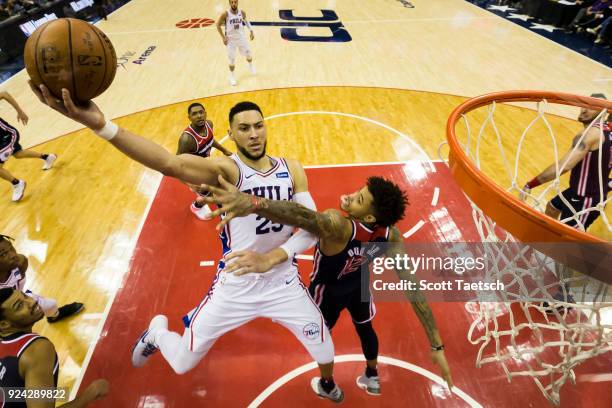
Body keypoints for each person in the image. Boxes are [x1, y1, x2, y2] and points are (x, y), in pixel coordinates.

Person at [29, 84, 344, 402]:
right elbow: (170, 164)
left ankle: (327, 384)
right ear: (232, 136)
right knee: (182, 363)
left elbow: (314, 227)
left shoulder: (292, 169)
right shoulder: (226, 170)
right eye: (244, 128)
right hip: (236, 284)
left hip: (283, 282)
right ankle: (158, 333)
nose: (253, 134)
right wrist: (102, 126)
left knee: (323, 344)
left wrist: (277, 255)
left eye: (258, 126)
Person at [200, 175, 454, 395]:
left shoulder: (338, 225)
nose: (352, 195)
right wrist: (436, 345)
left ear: (367, 215)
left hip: (327, 292)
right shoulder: (391, 236)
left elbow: (298, 214)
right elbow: (413, 289)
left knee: (321, 337)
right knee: (365, 328)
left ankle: (327, 383)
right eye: (358, 192)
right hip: (359, 287)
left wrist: (254, 203)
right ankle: (372, 375)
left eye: (359, 198)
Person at [0, 287, 108, 407]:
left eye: (25, 296)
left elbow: (10, 392)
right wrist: (88, 395)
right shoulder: (36, 349)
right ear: (4, 324)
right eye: (19, 306)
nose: (32, 301)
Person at [521, 93, 610, 231]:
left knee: (566, 239)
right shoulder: (607, 131)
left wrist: (530, 184)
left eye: (592, 107)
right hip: (577, 192)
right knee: (552, 207)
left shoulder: (589, 135)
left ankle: (556, 251)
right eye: (585, 105)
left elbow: (565, 165)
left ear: (603, 113)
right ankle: (546, 240)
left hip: (586, 199)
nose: (585, 110)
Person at [0, 235, 85, 324]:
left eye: (11, 247)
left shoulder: (20, 263)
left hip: (19, 299)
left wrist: (24, 298)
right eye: (3, 254)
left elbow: (19, 287)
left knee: (50, 304)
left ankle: (54, 316)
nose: (13, 255)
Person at [177, 102, 232, 220]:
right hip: (195, 173)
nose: (199, 116)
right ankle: (196, 207)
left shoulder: (209, 124)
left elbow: (210, 140)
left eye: (201, 112)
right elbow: (177, 164)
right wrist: (189, 183)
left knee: (222, 187)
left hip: (207, 165)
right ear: (189, 118)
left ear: (205, 114)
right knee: (213, 196)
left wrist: (224, 150)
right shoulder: (187, 139)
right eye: (194, 114)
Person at [1, 91, 57, 202]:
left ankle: (17, 184)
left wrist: (20, 112)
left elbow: (4, 94)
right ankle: (47, 157)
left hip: (7, 136)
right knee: (18, 154)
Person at [216, 0, 256, 86]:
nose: (234, 4)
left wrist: (251, 30)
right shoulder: (225, 14)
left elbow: (246, 21)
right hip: (231, 41)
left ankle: (251, 66)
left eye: (235, 2)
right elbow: (217, 24)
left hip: (241, 38)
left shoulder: (242, 12)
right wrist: (223, 37)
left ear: (237, 2)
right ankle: (232, 77)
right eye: (232, 2)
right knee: (232, 60)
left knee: (248, 54)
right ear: (229, 3)